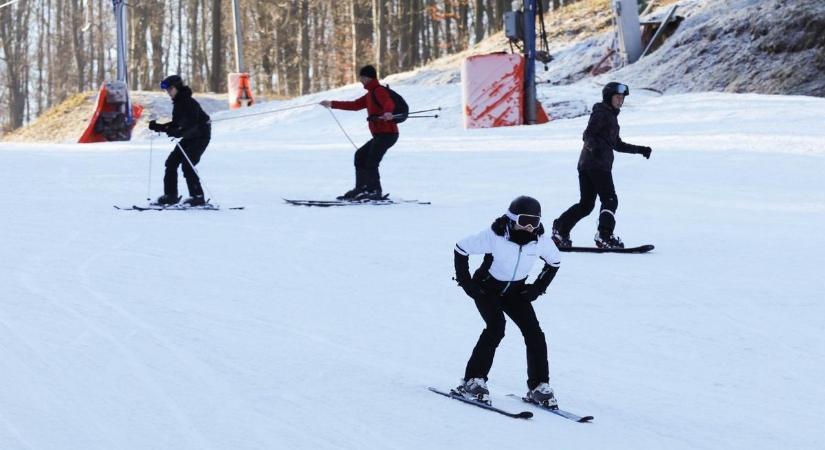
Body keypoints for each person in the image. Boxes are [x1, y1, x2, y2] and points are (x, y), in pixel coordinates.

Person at [452, 196, 562, 407]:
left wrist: (538, 288)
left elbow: (554, 262)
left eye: (534, 222)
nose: (529, 227)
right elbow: (461, 248)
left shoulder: (540, 242)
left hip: (516, 292)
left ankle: (539, 386)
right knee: (496, 327)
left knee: (534, 333)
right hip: (487, 289)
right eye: (523, 221)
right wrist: (466, 283)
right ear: (512, 219)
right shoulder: (494, 236)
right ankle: (473, 380)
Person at [551, 82, 652, 249]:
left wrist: (640, 150)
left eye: (622, 98)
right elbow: (588, 134)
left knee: (586, 205)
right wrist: (595, 149)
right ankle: (604, 235)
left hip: (587, 165)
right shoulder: (602, 113)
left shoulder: (610, 117)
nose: (621, 101)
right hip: (596, 164)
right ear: (608, 97)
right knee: (610, 199)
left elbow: (617, 144)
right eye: (618, 97)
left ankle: (560, 228)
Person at [319, 65, 398, 201]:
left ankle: (374, 191)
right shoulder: (370, 94)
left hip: (388, 133)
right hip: (380, 134)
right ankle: (361, 188)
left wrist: (388, 112)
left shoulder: (378, 91)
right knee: (360, 155)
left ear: (367, 78)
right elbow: (354, 105)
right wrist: (331, 103)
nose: (360, 80)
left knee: (371, 161)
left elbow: (388, 102)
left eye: (362, 77)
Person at [147, 75, 212, 206]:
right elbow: (177, 125)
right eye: (167, 90)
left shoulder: (188, 102)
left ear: (177, 87)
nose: (168, 92)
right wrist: (160, 127)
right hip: (189, 137)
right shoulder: (178, 103)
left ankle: (197, 197)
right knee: (171, 162)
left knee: (187, 165)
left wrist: (179, 132)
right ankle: (170, 196)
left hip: (200, 137)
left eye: (170, 88)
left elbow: (192, 124)